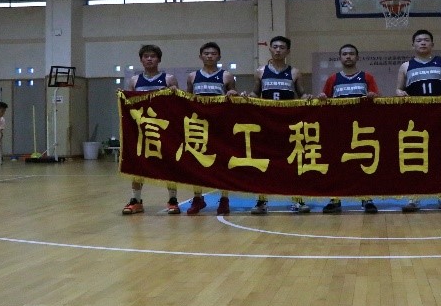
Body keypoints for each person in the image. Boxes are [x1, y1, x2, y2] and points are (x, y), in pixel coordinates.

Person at [396, 29, 441, 213]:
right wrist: (400, 93)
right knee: (415, 156)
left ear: (432, 44)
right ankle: (414, 198)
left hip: (440, 118)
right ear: (413, 45)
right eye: (419, 40)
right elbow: (399, 89)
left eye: (426, 40)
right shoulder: (405, 66)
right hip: (416, 119)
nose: (423, 43)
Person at [248, 35, 313, 215]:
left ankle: (297, 200)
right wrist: (247, 97)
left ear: (288, 51)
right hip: (266, 124)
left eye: (282, 47)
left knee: (292, 161)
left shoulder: (295, 72)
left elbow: (302, 94)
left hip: (288, 125)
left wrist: (307, 97)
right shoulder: (260, 72)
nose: (278, 50)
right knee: (264, 163)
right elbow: (255, 93)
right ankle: (261, 201)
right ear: (270, 49)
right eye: (275, 47)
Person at [317, 44, 380, 214]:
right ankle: (335, 199)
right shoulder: (332, 79)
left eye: (351, 54)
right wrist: (322, 98)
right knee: (337, 165)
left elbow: (378, 99)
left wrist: (374, 96)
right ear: (340, 58)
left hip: (362, 130)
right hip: (339, 129)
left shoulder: (367, 77)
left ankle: (366, 198)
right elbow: (325, 101)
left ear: (357, 57)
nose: (348, 56)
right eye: (344, 54)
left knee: (364, 164)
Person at [122, 44, 181, 215]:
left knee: (170, 163)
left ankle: (173, 199)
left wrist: (175, 93)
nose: (149, 59)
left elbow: (179, 104)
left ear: (159, 59)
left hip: (164, 129)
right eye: (146, 56)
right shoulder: (134, 81)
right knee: (138, 164)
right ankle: (136, 200)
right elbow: (129, 105)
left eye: (153, 56)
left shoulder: (169, 79)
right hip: (142, 130)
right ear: (141, 60)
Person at [185, 41, 239, 215]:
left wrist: (233, 93)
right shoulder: (192, 76)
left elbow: (234, 99)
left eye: (213, 53)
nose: (210, 56)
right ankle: (198, 198)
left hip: (219, 125)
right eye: (206, 53)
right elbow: (187, 100)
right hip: (198, 125)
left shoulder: (227, 76)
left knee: (223, 162)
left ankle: (224, 199)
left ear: (219, 56)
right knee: (197, 163)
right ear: (200, 56)